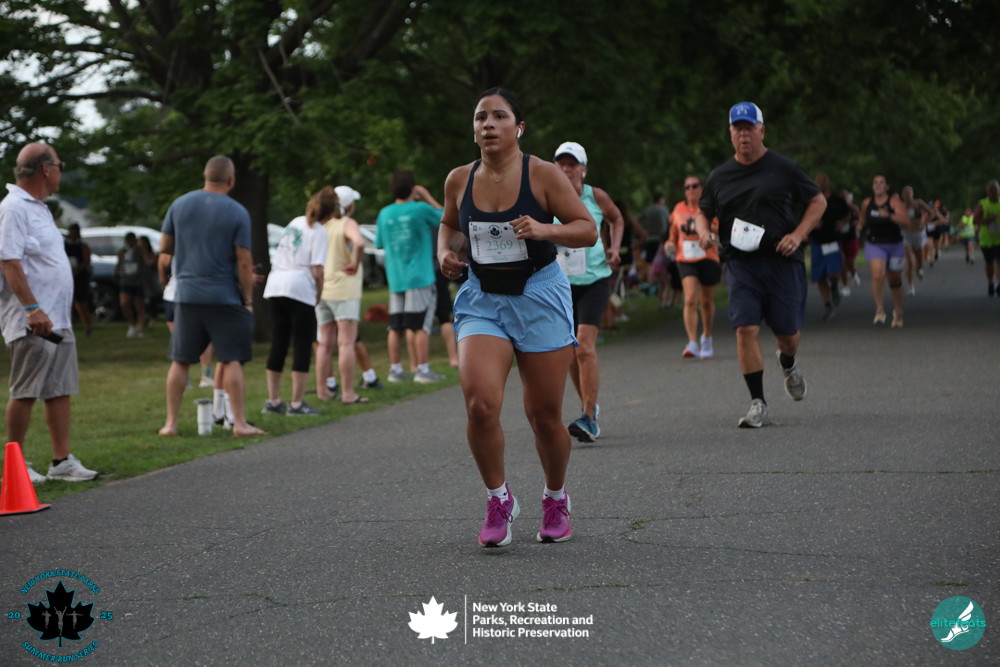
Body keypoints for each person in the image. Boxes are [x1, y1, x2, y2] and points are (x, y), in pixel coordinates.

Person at [438, 87, 597, 547]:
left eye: (499, 116)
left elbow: (586, 229)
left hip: (539, 295)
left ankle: (555, 497)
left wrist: (545, 228)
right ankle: (498, 499)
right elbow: (449, 225)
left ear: (519, 127)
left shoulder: (543, 174)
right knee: (480, 404)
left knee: (543, 416)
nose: (488, 124)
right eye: (480, 117)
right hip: (482, 297)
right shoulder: (458, 179)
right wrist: (444, 252)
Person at [695, 102, 826, 429]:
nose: (744, 135)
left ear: (762, 131)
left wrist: (798, 234)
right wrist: (703, 232)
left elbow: (817, 201)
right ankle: (758, 403)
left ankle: (788, 362)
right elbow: (702, 212)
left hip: (782, 262)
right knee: (745, 329)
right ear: (730, 134)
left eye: (749, 128)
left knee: (787, 335)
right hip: (741, 264)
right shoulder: (720, 176)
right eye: (737, 129)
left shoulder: (784, 168)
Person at [0, 142, 98, 482]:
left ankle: (61, 462)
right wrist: (32, 308)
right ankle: (15, 466)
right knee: (25, 390)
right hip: (33, 320)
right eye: (59, 165)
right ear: (45, 169)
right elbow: (9, 262)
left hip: (58, 318)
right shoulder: (13, 208)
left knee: (59, 388)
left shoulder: (39, 208)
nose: (60, 172)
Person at [157, 155, 264, 437]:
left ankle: (170, 424)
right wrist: (248, 299)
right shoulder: (237, 211)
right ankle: (239, 423)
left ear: (205, 176)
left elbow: (165, 247)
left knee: (180, 360)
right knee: (231, 358)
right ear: (231, 180)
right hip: (224, 296)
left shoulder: (179, 205)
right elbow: (244, 260)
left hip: (187, 294)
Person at [551, 141, 623, 442]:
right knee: (569, 353)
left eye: (572, 164)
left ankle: (590, 417)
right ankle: (588, 408)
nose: (566, 169)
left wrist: (615, 247)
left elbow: (616, 218)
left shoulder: (596, 196)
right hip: (560, 284)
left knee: (584, 346)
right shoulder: (548, 198)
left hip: (594, 280)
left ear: (583, 169)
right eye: (561, 164)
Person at [262, 188, 330, 415]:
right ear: (331, 213)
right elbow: (317, 270)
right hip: (299, 288)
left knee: (278, 343)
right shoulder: (319, 231)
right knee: (302, 344)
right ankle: (297, 403)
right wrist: (318, 293)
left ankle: (273, 401)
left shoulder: (295, 222)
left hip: (275, 285)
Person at [374, 171, 446, 384]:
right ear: (413, 188)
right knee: (420, 325)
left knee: (395, 326)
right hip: (420, 277)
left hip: (396, 278)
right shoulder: (421, 208)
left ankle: (395, 370)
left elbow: (379, 243)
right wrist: (427, 197)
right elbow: (446, 217)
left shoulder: (384, 213)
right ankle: (422, 370)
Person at [315, 185, 371, 405]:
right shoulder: (347, 223)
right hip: (344, 289)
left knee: (324, 343)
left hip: (322, 289)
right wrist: (355, 263)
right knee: (346, 343)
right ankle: (348, 393)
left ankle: (322, 390)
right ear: (349, 206)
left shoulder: (320, 225)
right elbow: (359, 242)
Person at [665, 175, 720, 357]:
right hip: (685, 258)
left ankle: (707, 337)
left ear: (701, 188)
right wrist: (669, 243)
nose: (690, 190)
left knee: (706, 300)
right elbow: (673, 233)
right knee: (689, 299)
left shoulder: (708, 207)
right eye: (687, 187)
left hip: (707, 255)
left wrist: (703, 226)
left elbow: (720, 228)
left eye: (694, 186)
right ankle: (692, 342)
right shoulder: (678, 209)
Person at [860, 174, 908, 326]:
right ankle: (879, 310)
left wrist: (889, 216)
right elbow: (862, 219)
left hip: (894, 244)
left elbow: (905, 221)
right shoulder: (867, 203)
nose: (878, 185)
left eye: (881, 183)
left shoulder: (894, 202)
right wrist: (859, 226)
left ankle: (898, 311)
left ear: (887, 186)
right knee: (877, 275)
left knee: (895, 280)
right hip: (875, 243)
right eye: (875, 182)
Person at [809, 174, 849, 321]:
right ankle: (827, 305)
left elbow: (847, 214)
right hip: (817, 242)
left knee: (833, 272)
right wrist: (812, 224)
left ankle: (834, 286)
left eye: (824, 181)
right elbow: (803, 217)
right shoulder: (811, 200)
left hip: (833, 241)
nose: (821, 183)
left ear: (828, 183)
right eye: (819, 181)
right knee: (819, 276)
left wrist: (843, 223)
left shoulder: (837, 200)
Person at [900, 185, 933, 296]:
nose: (908, 196)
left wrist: (924, 223)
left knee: (919, 260)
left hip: (918, 234)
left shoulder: (918, 203)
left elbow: (931, 213)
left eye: (910, 193)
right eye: (906, 194)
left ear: (912, 194)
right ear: (903, 195)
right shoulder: (900, 206)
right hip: (906, 235)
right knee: (910, 262)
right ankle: (911, 286)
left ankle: (919, 269)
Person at [64, 223, 93, 336]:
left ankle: (87, 326)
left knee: (80, 302)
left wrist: (77, 270)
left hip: (80, 277)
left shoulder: (82, 246)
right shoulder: (64, 244)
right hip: (67, 275)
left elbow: (86, 260)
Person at [972, 179, 1000, 296]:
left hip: (999, 239)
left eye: (996, 190)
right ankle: (990, 282)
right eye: (991, 190)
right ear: (987, 192)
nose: (993, 192)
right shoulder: (983, 204)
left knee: (999, 260)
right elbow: (974, 220)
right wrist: (987, 220)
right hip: (986, 239)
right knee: (989, 263)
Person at [116, 232, 147, 337]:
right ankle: (132, 324)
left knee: (139, 306)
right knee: (124, 303)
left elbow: (147, 261)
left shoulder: (139, 250)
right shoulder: (123, 251)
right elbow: (119, 265)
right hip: (126, 280)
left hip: (138, 281)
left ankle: (141, 328)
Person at [637, 193, 669, 285]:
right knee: (663, 262)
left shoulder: (647, 210)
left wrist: (643, 231)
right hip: (661, 240)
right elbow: (669, 222)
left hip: (649, 239)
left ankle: (650, 283)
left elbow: (636, 220)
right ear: (661, 200)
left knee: (649, 262)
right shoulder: (664, 210)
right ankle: (662, 284)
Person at [837, 189, 861, 295]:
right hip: (839, 239)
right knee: (841, 262)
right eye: (841, 196)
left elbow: (860, 221)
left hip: (851, 238)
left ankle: (853, 273)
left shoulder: (853, 209)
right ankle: (845, 286)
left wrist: (857, 224)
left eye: (845, 196)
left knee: (850, 262)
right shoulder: (836, 209)